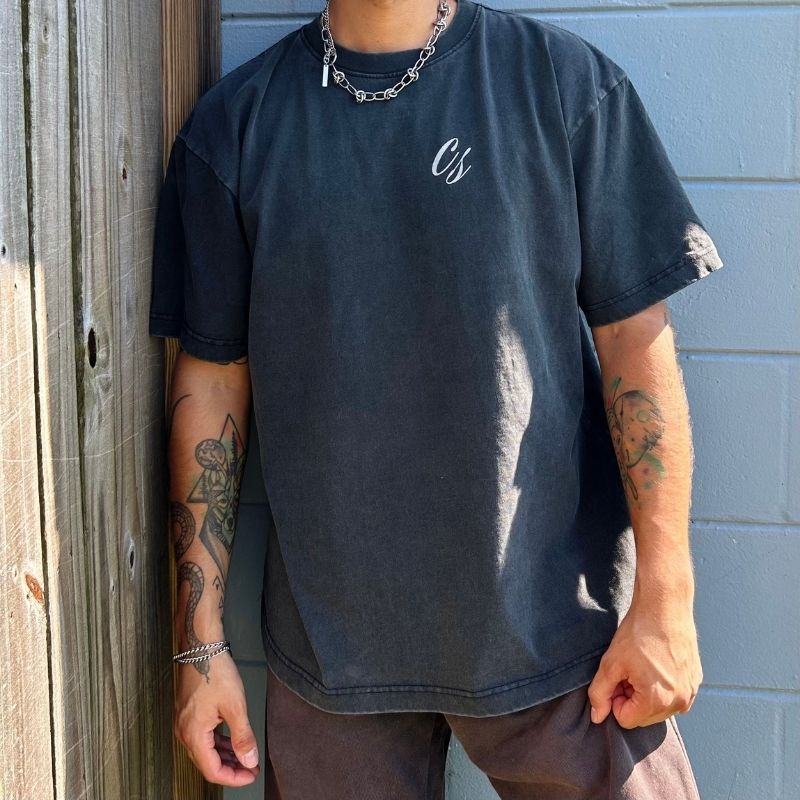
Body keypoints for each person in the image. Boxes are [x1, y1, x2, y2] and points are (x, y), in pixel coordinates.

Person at [148, 0, 725, 796]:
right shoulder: (235, 131)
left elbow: (634, 341)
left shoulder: (564, 87)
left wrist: (668, 598)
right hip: (333, 659)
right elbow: (211, 381)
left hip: (562, 640)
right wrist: (199, 647)